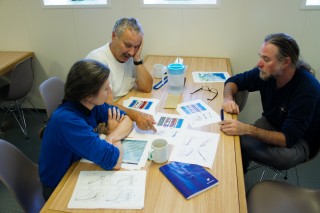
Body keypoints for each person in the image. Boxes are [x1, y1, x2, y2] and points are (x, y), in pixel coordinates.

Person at [220, 33, 320, 173]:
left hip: (299, 141)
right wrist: (228, 99)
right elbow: (233, 81)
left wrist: (248, 129)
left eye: (266, 59)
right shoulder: (268, 72)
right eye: (260, 56)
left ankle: (237, 176)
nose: (259, 63)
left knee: (241, 143)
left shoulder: (308, 89)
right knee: (233, 139)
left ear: (285, 62)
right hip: (272, 123)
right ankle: (239, 171)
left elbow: (288, 139)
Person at [39, 59, 133, 200]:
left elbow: (127, 120)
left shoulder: (90, 104)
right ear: (89, 95)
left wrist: (111, 136)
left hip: (76, 166)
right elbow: (115, 161)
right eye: (106, 88)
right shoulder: (68, 122)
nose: (110, 92)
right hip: (59, 187)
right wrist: (113, 137)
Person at [86, 17, 156, 131]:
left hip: (120, 108)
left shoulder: (130, 56)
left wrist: (137, 58)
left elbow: (147, 87)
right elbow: (105, 106)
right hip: (100, 121)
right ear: (114, 36)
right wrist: (136, 115)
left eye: (137, 46)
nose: (132, 52)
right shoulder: (98, 60)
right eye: (128, 45)